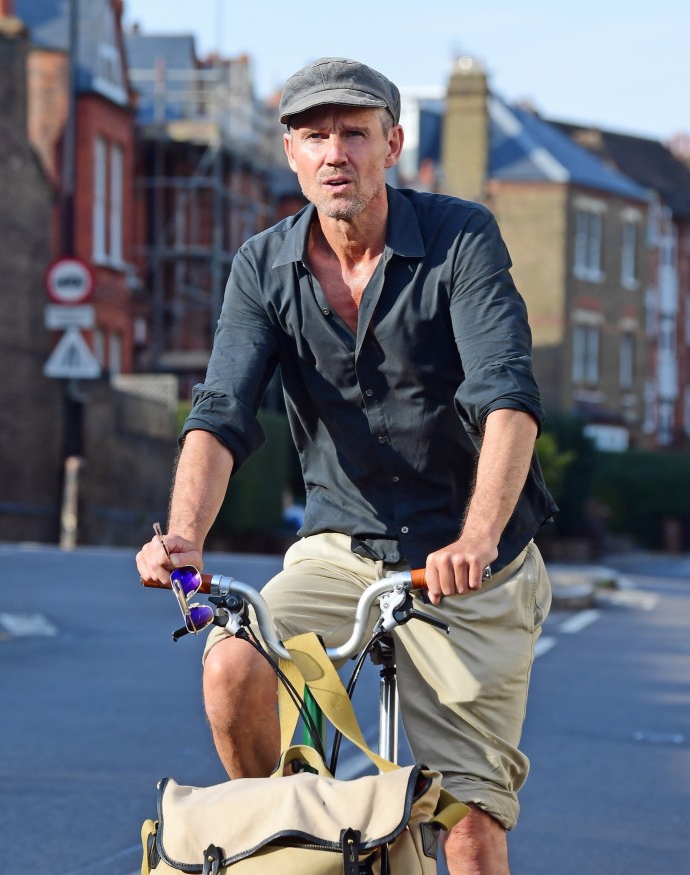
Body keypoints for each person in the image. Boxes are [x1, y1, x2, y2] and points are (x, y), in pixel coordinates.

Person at [137, 57, 558, 875]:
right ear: (291, 152)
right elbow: (220, 412)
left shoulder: (458, 237)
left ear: (392, 144)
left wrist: (476, 536)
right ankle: (290, 840)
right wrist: (182, 535)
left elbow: (507, 398)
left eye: (355, 133)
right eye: (314, 135)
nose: (335, 152)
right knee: (231, 661)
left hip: (472, 562)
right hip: (342, 548)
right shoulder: (262, 266)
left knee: (467, 826)